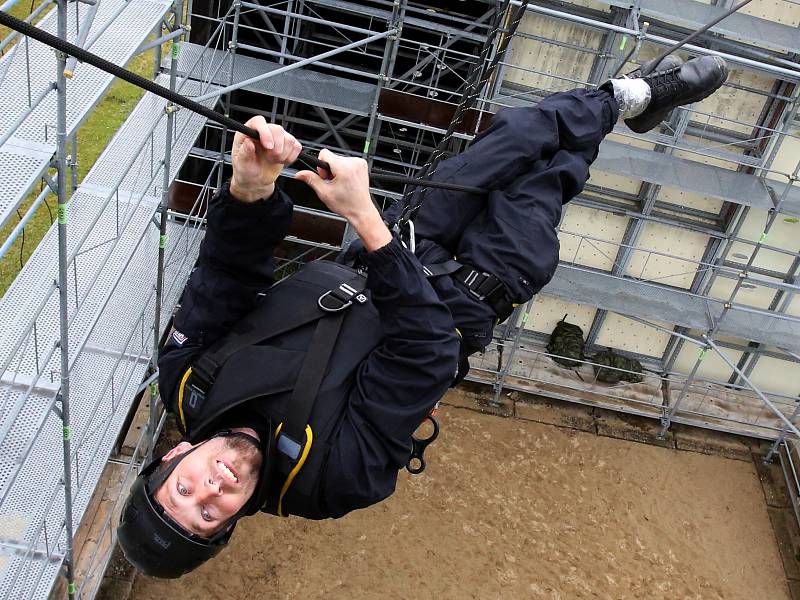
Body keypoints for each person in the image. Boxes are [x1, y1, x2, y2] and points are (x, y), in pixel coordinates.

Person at [117, 55, 728, 577]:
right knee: (543, 176)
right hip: (468, 290)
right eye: (206, 515)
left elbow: (226, 272)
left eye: (183, 489)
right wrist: (365, 220)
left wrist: (250, 189)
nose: (211, 488)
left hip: (392, 248)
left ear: (169, 460)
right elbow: (426, 349)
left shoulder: (189, 379)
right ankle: (624, 102)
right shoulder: (329, 480)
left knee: (516, 135)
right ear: (228, 527)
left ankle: (629, 96)